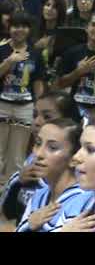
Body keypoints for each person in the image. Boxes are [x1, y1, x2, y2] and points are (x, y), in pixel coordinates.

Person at [0, 91, 81, 228]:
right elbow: (7, 215)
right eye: (34, 115)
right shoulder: (37, 188)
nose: (37, 122)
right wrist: (18, 182)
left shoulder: (82, 196)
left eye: (47, 116)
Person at [15, 118, 83, 232]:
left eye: (52, 148)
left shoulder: (83, 200)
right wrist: (29, 224)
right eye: (38, 143)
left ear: (74, 158)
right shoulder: (38, 196)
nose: (39, 154)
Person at [0, 12, 45, 178]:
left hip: (25, 107)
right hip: (2, 105)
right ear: (9, 28)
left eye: (24, 26)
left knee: (17, 156)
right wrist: (9, 61)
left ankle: (9, 193)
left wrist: (39, 110)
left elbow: (38, 83)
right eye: (15, 26)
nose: (19, 30)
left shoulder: (36, 54)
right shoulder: (2, 50)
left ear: (29, 29)